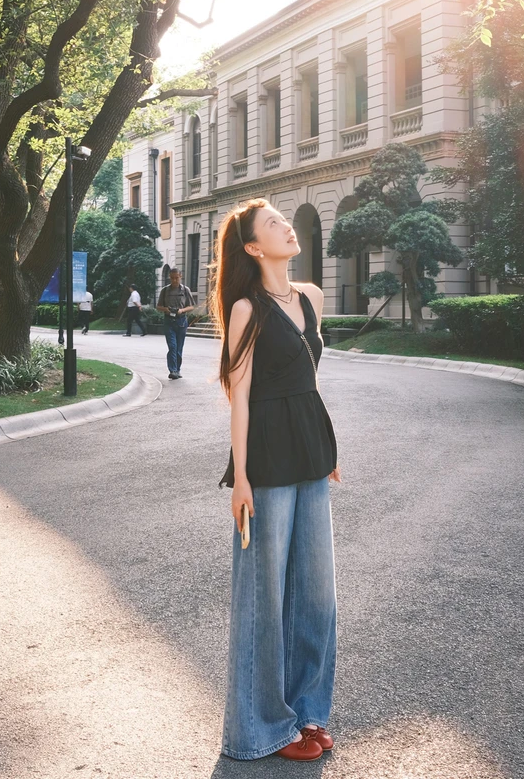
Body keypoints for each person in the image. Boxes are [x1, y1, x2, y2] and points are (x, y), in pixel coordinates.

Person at [210, 197, 341, 763]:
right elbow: (239, 397)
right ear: (253, 248)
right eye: (273, 225)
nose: (286, 226)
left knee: (315, 593)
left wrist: (326, 447)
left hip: (310, 452)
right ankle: (260, 728)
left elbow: (309, 379)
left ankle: (307, 712)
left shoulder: (310, 297)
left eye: (284, 220)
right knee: (265, 597)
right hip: (264, 460)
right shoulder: (246, 308)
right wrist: (241, 478)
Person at [156, 269, 196, 379]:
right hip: (169, 321)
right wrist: (166, 309)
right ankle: (172, 370)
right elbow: (158, 307)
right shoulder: (165, 291)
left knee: (179, 347)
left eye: (176, 277)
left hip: (181, 321)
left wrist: (182, 310)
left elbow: (192, 306)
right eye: (172, 278)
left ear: (180, 277)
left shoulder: (185, 290)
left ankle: (177, 369)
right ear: (170, 277)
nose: (174, 280)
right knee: (172, 346)